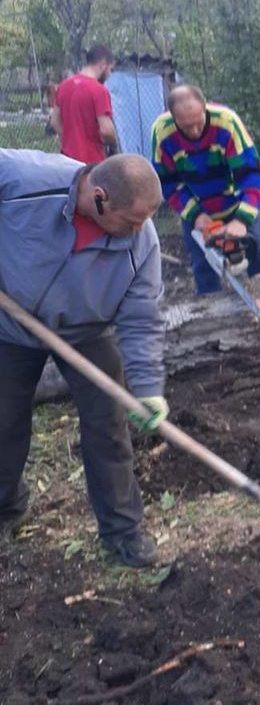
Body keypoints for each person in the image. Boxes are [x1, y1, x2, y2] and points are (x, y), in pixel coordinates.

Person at [0, 151, 168, 568]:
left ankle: (122, 531)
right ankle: (6, 507)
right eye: (132, 220)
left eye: (146, 219)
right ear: (98, 198)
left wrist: (148, 390)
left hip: (85, 332)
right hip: (11, 324)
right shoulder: (24, 179)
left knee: (107, 426)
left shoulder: (142, 243)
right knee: (3, 422)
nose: (140, 229)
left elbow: (143, 320)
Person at [150, 84, 260, 295]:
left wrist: (241, 220)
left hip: (236, 204)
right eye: (186, 126)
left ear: (205, 107)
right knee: (204, 270)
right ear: (172, 117)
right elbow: (167, 182)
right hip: (198, 207)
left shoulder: (226, 123)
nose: (194, 131)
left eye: (198, 122)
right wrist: (195, 215)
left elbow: (251, 175)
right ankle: (209, 319)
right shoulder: (162, 133)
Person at [51, 44, 119, 164]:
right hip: (92, 161)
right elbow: (106, 130)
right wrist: (114, 145)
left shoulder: (63, 86)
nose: (110, 74)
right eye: (110, 69)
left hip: (67, 159)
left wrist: (71, 140)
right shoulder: (99, 90)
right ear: (102, 65)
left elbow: (55, 122)